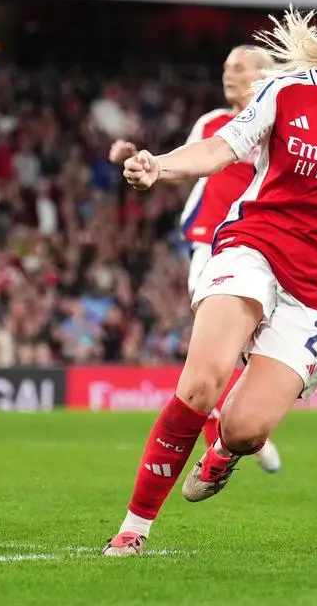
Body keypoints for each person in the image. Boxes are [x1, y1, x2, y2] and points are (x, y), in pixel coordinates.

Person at [103, 0, 317, 557]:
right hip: (254, 248)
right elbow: (222, 148)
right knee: (201, 383)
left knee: (248, 429)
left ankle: (225, 448)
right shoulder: (286, 91)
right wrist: (160, 165)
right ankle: (135, 526)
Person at [108, 45, 282, 475]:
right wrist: (140, 161)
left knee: (248, 348)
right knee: (214, 351)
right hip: (211, 245)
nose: (228, 74)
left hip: (262, 249)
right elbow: (182, 170)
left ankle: (239, 422)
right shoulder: (212, 124)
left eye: (238, 67)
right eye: (224, 67)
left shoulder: (281, 128)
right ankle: (218, 447)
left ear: (262, 75)